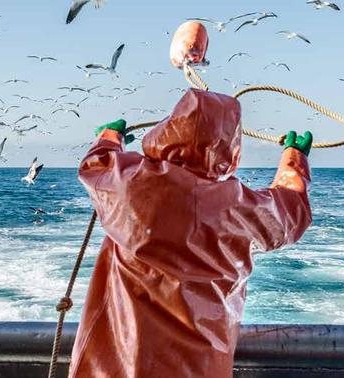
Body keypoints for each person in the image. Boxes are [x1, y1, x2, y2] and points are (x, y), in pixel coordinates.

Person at [69, 89, 313, 378]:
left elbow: (94, 166)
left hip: (121, 366)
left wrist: (109, 137)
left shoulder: (130, 183)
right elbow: (290, 213)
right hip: (202, 368)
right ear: (230, 149)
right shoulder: (239, 206)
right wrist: (293, 160)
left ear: (168, 131)